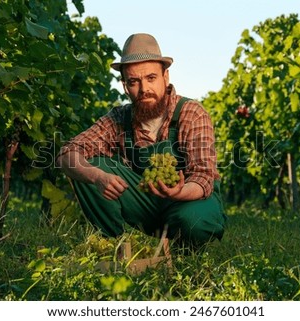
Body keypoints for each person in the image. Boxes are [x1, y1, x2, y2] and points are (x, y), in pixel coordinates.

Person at [57, 33, 226, 249]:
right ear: (125, 86)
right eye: (134, 81)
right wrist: (97, 177)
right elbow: (67, 154)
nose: (144, 88)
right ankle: (114, 247)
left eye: (151, 78)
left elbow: (204, 176)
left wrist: (178, 192)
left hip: (189, 200)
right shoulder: (119, 118)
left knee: (194, 221)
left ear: (166, 77)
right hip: (147, 203)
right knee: (85, 165)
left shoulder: (191, 113)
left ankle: (184, 251)